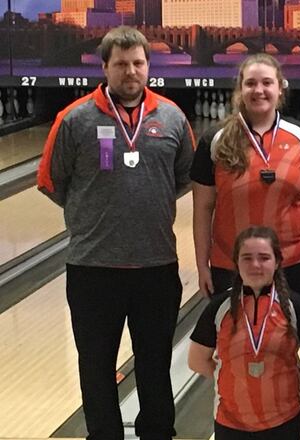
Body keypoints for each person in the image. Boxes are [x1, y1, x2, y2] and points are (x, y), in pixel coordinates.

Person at [36, 26, 194, 439]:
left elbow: (183, 177)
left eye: (138, 63)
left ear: (148, 66)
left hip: (156, 266)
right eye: (121, 64)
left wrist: (141, 200)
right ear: (104, 66)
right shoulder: (73, 119)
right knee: (95, 365)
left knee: (155, 362)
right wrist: (96, 215)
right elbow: (52, 182)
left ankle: (157, 433)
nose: (130, 71)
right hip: (93, 269)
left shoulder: (173, 118)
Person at [191, 53, 300, 299]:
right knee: (234, 337)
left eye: (267, 83)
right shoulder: (215, 140)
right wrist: (202, 265)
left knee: (287, 335)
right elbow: (203, 208)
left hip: (293, 263)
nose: (259, 90)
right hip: (230, 263)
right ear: (240, 89)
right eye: (251, 83)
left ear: (280, 88)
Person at [188, 227, 300, 439]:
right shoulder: (220, 307)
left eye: (264, 258)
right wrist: (230, 377)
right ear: (236, 262)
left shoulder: (296, 306)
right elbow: (196, 360)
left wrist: (293, 378)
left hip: (285, 420)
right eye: (247, 258)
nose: (255, 265)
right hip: (231, 422)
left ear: (276, 262)